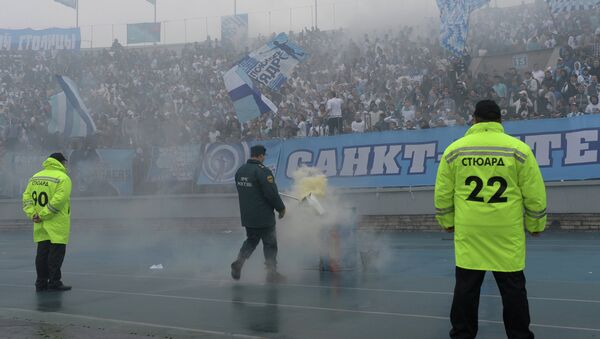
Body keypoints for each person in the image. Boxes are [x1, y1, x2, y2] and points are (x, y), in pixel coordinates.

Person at [434, 100, 547, 339]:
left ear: (474, 119)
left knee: (466, 288)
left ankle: (462, 334)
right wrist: (535, 225)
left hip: (470, 230)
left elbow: (443, 193)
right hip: (507, 231)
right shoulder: (519, 150)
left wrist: (446, 221)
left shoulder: (455, 150)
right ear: (500, 120)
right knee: (513, 289)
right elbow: (534, 193)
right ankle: (519, 335)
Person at [231, 145, 286, 283]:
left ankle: (239, 263)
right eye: (264, 156)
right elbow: (271, 194)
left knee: (251, 241)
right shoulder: (263, 171)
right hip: (264, 216)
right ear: (261, 155)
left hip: (248, 216)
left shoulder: (240, 171)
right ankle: (271, 273)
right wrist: (281, 208)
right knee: (270, 244)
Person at [22, 153, 73, 292]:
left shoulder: (35, 177)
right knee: (55, 255)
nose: (66, 165)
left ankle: (41, 282)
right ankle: (54, 282)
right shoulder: (63, 178)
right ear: (60, 162)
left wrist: (34, 214)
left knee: (42, 254)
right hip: (56, 223)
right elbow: (58, 201)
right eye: (65, 163)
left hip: (39, 223)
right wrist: (44, 215)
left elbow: (26, 197)